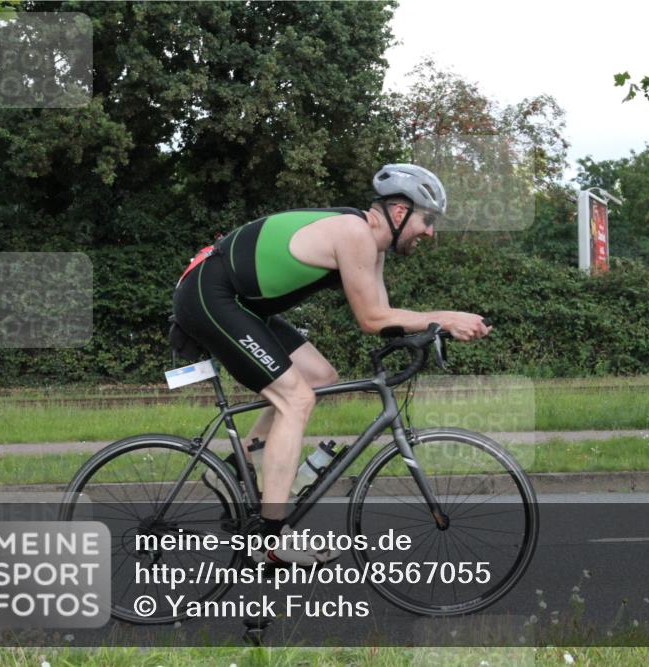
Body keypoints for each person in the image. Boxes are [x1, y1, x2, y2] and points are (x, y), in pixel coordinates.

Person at [172, 164, 491, 565]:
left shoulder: (370, 246)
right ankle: (272, 540)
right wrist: (445, 317)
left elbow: (382, 316)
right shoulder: (354, 233)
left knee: (321, 377)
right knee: (296, 400)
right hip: (211, 294)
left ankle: (239, 465)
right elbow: (373, 319)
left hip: (241, 303)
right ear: (399, 213)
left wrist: (428, 330)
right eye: (427, 221)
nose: (430, 232)